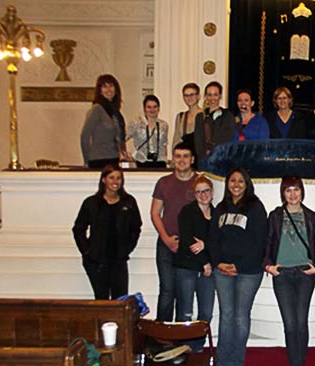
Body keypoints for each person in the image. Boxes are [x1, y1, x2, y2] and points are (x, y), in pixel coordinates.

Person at [264, 176, 315, 366]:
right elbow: (266, 243)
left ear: (302, 191)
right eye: (288, 190)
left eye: (296, 189)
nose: (292, 194)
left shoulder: (311, 216)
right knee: (290, 325)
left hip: (304, 273)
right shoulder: (275, 216)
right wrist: (268, 266)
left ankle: (300, 362)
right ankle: (295, 363)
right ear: (283, 193)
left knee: (301, 322)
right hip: (282, 274)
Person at [209, 168, 268, 366]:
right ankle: (223, 361)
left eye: (240, 181)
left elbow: (260, 243)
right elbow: (212, 238)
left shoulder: (256, 208)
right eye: (232, 180)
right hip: (222, 270)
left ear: (247, 184)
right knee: (226, 316)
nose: (236, 184)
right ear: (227, 184)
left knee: (241, 316)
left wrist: (238, 266)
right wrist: (219, 263)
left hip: (248, 272)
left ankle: (236, 361)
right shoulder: (220, 207)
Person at [72, 165, 142, 300]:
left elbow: (136, 228)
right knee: (101, 299)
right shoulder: (91, 203)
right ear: (104, 180)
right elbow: (78, 229)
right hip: (96, 261)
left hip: (118, 260)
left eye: (119, 178)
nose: (115, 181)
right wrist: (87, 251)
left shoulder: (129, 202)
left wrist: (127, 249)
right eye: (111, 177)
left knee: (120, 300)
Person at [151, 142, 197, 321]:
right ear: (172, 159)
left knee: (185, 294)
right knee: (167, 290)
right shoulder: (163, 183)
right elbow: (155, 213)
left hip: (189, 246)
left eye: (186, 156)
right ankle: (161, 338)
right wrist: (166, 239)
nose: (182, 160)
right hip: (166, 243)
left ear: (192, 159)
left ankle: (180, 338)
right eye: (178, 156)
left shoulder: (200, 182)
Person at [174, 175, 215, 351]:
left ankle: (197, 346)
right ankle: (183, 347)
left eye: (205, 191)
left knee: (206, 312)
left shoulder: (217, 213)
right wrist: (204, 262)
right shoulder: (187, 211)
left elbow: (217, 240)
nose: (202, 195)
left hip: (208, 269)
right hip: (187, 266)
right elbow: (187, 240)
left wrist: (205, 244)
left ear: (212, 192)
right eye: (198, 192)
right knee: (185, 310)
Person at [81, 74, 126, 169]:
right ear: (100, 91)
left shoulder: (115, 111)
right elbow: (85, 136)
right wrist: (86, 161)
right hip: (98, 159)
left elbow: (119, 136)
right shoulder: (97, 109)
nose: (109, 89)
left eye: (111, 86)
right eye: (104, 86)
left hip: (113, 157)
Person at [194, 81, 235, 164]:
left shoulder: (228, 116)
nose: (212, 98)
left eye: (215, 94)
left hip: (222, 159)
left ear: (220, 96)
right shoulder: (200, 117)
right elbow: (198, 141)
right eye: (209, 95)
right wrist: (205, 157)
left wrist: (215, 154)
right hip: (204, 160)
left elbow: (228, 138)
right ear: (205, 96)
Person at [126, 94, 169, 168]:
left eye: (155, 107)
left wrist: (166, 159)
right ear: (144, 108)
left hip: (160, 162)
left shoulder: (164, 125)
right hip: (141, 162)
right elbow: (123, 139)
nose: (152, 110)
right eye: (149, 107)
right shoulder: (136, 123)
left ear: (159, 108)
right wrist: (126, 155)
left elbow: (164, 146)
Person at [172, 83, 204, 165]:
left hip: (201, 159)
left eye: (192, 95)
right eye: (186, 95)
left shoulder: (206, 115)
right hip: (185, 161)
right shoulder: (181, 117)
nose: (189, 98)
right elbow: (176, 141)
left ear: (198, 96)